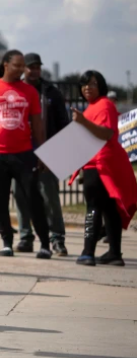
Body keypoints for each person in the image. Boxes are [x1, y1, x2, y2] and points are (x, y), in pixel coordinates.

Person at [0, 50, 53, 259]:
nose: (22, 69)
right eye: (17, 65)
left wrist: (42, 153)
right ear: (6, 65)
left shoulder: (30, 92)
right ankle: (6, 242)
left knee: (33, 199)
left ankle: (44, 244)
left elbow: (38, 125)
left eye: (23, 65)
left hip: (24, 155)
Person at [72, 71, 137, 267]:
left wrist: (83, 122)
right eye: (84, 85)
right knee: (110, 209)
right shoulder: (93, 107)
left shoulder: (105, 105)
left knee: (93, 207)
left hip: (101, 164)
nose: (87, 88)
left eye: (92, 84)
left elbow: (107, 133)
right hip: (101, 163)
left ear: (100, 85)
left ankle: (87, 252)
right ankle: (114, 254)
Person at [14, 53, 71, 256]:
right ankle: (25, 237)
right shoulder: (17, 90)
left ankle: (57, 239)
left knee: (50, 197)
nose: (35, 70)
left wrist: (61, 151)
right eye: (31, 67)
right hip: (21, 151)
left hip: (49, 151)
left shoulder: (51, 92)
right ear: (23, 69)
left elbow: (64, 123)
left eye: (37, 66)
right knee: (21, 195)